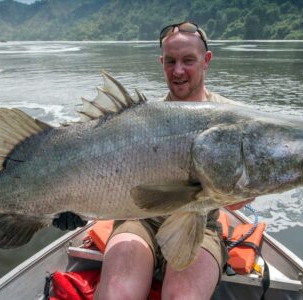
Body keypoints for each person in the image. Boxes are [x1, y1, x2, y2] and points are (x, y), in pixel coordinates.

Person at [94, 22, 253, 300]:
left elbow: (236, 202)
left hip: (199, 224)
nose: (178, 71)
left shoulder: (234, 119)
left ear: (206, 60)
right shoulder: (142, 119)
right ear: (162, 62)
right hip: (138, 218)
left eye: (188, 60)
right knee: (117, 294)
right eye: (170, 61)